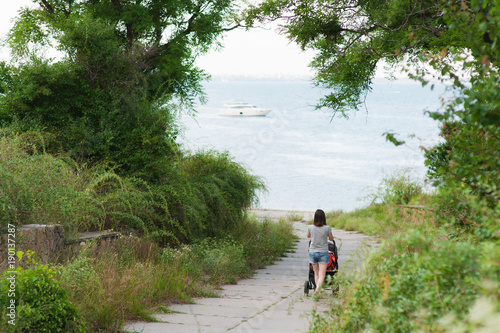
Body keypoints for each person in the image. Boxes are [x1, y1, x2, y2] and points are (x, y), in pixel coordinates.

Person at [307, 209, 334, 297]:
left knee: (316, 273)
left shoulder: (310, 227)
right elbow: (331, 239)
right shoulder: (327, 228)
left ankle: (318, 291)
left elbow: (308, 236)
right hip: (323, 252)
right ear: (323, 218)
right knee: (322, 274)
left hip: (312, 252)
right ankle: (318, 288)